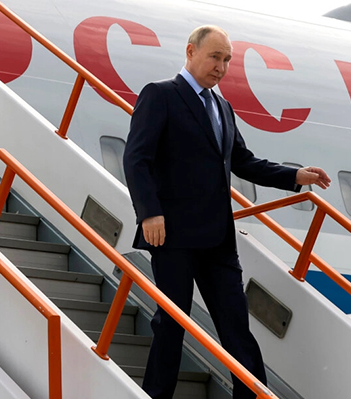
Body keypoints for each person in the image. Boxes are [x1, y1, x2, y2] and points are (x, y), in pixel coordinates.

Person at [123, 25, 331, 399]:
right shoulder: (161, 96)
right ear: (191, 52)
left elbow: (242, 161)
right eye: (215, 57)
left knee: (236, 324)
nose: (221, 66)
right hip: (172, 235)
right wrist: (149, 213)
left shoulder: (222, 107)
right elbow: (137, 158)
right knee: (172, 322)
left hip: (217, 237)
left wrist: (295, 176)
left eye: (227, 60)